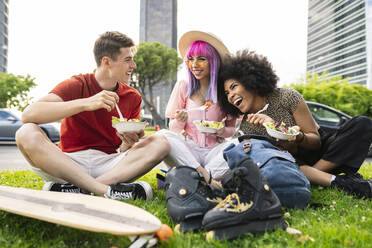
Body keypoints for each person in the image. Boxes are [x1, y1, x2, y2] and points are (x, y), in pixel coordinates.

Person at [15, 31, 170, 200]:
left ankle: (78, 189)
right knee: (25, 132)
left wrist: (128, 143)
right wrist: (87, 103)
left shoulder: (133, 97)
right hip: (67, 164)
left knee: (161, 142)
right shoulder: (77, 84)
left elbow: (123, 150)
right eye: (128, 60)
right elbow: (29, 114)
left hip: (109, 164)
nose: (133, 65)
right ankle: (104, 190)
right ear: (107, 62)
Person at [217, 49, 372, 199]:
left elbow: (316, 142)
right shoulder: (246, 128)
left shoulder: (287, 97)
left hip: (320, 151)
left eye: (233, 87)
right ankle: (338, 181)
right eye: (227, 93)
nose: (230, 96)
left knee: (362, 124)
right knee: (286, 164)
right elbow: (283, 157)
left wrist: (293, 134)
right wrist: (283, 139)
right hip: (292, 161)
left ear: (249, 80)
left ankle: (313, 176)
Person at [155, 31, 236, 186]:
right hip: (189, 148)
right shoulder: (183, 87)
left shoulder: (224, 90)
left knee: (239, 144)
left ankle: (189, 178)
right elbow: (173, 129)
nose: (194, 64)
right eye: (191, 59)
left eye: (202, 59)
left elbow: (231, 128)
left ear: (214, 62)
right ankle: (207, 179)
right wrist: (179, 122)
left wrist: (221, 131)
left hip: (215, 150)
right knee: (164, 136)